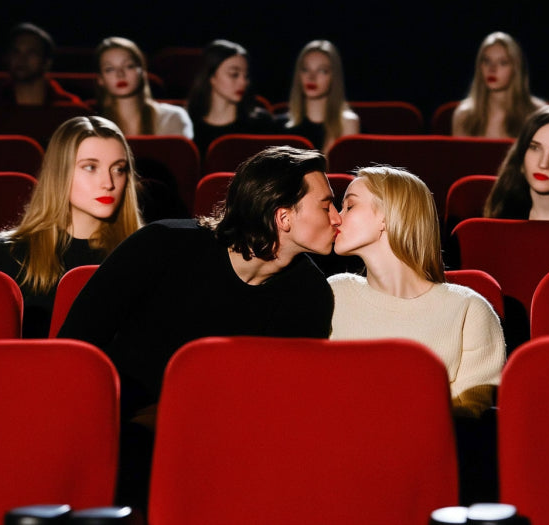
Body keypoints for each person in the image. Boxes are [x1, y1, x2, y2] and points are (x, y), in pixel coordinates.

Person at [57, 145, 340, 510]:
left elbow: (276, 409)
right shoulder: (162, 245)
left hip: (220, 448)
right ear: (284, 217)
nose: (337, 218)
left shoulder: (310, 295)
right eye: (326, 206)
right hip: (108, 427)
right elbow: (74, 348)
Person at [329, 166, 505, 417]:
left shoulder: (468, 310)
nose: (335, 217)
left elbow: (469, 419)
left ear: (387, 217)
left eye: (350, 206)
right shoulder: (334, 294)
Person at [0, 115, 143, 338]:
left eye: (119, 169)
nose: (108, 183)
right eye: (90, 167)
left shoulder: (145, 256)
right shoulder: (4, 259)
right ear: (60, 173)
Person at [186, 39, 274, 156]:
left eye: (246, 76)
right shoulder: (188, 124)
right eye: (234, 74)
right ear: (211, 77)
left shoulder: (262, 124)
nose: (243, 82)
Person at [94, 36, 192, 139]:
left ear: (142, 71)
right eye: (109, 69)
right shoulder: (94, 125)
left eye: (129, 66)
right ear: (100, 79)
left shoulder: (173, 118)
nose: (120, 74)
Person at [452, 31, 544, 138]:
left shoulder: (536, 113)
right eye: (487, 61)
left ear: (516, 68)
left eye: (503, 62)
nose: (492, 69)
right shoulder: (464, 115)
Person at [278, 40, 360, 153]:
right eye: (305, 69)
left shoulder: (347, 123)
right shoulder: (281, 125)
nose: (311, 77)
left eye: (322, 71)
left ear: (334, 77)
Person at [0, 22, 83, 106]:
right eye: (16, 52)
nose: (21, 59)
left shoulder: (69, 108)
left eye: (32, 53)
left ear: (47, 62)